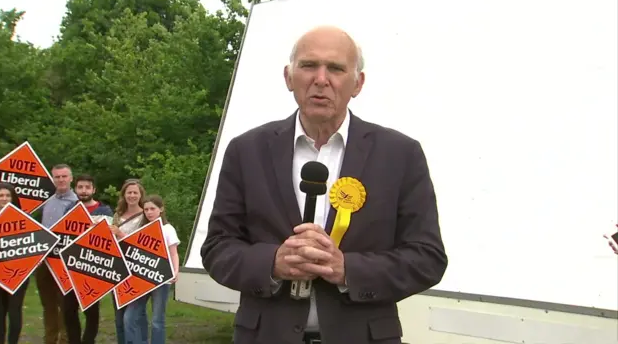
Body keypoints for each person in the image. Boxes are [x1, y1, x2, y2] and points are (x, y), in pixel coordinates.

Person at [200, 25, 448, 344]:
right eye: (308, 65)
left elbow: (427, 257)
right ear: (289, 77)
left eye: (335, 68)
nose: (321, 79)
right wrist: (273, 262)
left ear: (357, 83)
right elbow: (218, 248)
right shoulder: (246, 150)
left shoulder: (400, 155)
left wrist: (347, 269)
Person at [62, 174, 113, 344]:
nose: (83, 191)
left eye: (87, 187)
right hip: (71, 269)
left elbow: (107, 241)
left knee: (91, 311)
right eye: (80, 187)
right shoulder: (69, 209)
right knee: (69, 310)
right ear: (75, 189)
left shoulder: (104, 211)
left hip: (93, 268)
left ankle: (88, 341)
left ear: (94, 189)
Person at [123, 195, 180, 344]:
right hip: (141, 278)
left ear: (161, 209)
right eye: (146, 209)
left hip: (162, 279)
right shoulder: (141, 229)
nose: (149, 212)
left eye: (152, 209)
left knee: (157, 320)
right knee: (130, 317)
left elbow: (173, 252)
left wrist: (175, 271)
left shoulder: (168, 229)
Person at [37, 164, 78, 344]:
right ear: (53, 179)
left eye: (64, 176)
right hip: (44, 261)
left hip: (64, 262)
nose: (61, 180)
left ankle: (65, 340)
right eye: (57, 177)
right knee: (48, 305)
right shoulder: (47, 201)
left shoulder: (77, 204)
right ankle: (50, 339)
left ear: (71, 178)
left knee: (66, 305)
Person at [0, 183, 30, 344]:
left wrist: (36, 259)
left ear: (13, 198)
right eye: (1, 196)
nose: (4, 199)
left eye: (8, 195)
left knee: (14, 311)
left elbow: (36, 245)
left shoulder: (25, 220)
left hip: (19, 275)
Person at [109, 179, 147, 344]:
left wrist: (120, 234)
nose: (132, 195)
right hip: (117, 269)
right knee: (119, 316)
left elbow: (144, 243)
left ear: (140, 195)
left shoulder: (146, 215)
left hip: (137, 270)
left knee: (131, 317)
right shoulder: (117, 215)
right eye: (129, 192)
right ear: (124, 195)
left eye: (135, 192)